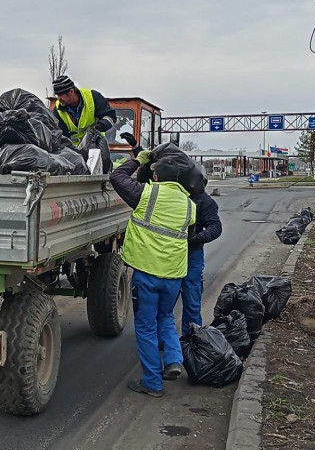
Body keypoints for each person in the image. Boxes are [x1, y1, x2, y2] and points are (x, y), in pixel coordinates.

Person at [110, 149, 195, 397]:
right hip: (174, 275)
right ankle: (173, 360)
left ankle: (152, 383)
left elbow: (117, 177)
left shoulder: (146, 195)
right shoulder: (190, 205)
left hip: (147, 274)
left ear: (156, 177)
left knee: (146, 328)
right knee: (166, 318)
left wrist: (139, 160)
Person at [180, 174, 222, 337]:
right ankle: (173, 338)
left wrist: (198, 238)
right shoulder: (172, 196)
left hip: (190, 252)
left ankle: (191, 338)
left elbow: (215, 226)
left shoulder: (204, 201)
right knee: (171, 300)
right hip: (174, 253)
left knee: (190, 297)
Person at [51, 75, 117, 147]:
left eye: (60, 95)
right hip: (73, 150)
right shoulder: (58, 109)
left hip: (95, 145)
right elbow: (61, 134)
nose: (58, 99)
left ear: (71, 91)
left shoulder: (93, 98)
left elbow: (110, 116)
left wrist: (99, 127)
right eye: (57, 95)